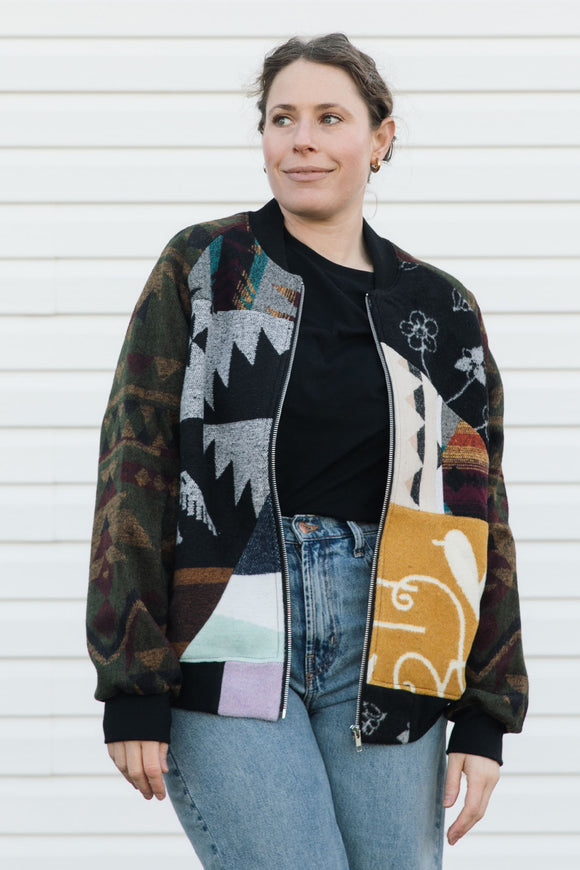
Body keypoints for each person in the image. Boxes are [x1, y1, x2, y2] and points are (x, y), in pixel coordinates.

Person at [87, 33, 528, 870]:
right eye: (282, 118)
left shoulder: (440, 308)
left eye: (330, 118)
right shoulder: (208, 265)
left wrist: (487, 711)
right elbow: (133, 469)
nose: (303, 140)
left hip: (398, 636)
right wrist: (132, 679)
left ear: (380, 137)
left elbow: (481, 516)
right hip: (229, 621)